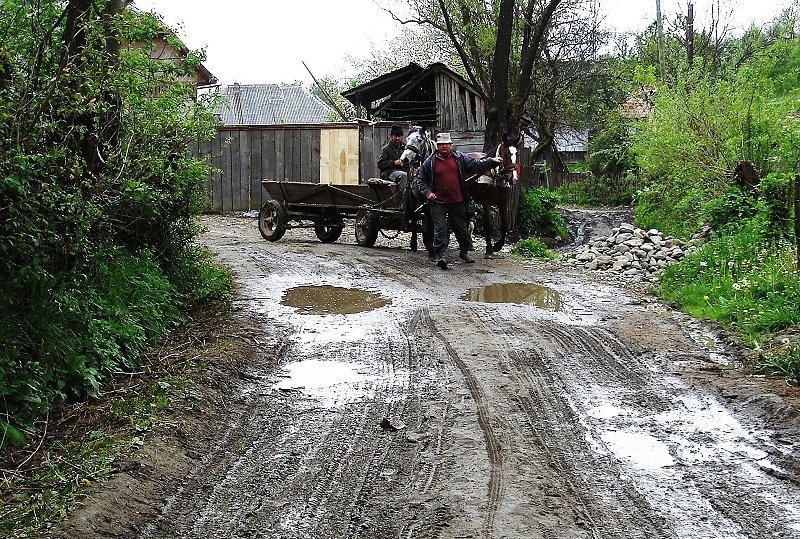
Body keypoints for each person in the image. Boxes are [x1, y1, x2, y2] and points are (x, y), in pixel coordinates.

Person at [415, 132, 503, 270]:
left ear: (451, 145)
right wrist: (428, 193)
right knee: (440, 229)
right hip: (438, 201)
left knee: (461, 229)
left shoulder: (459, 158)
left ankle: (464, 252)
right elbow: (420, 180)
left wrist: (491, 162)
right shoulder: (430, 162)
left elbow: (476, 166)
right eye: (441, 144)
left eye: (447, 144)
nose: (444, 146)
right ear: (437, 146)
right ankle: (441, 256)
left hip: (457, 200)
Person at [377, 124, 408, 190]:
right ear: (391, 137)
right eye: (395, 136)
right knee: (404, 175)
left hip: (403, 170)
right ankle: (402, 197)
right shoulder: (386, 149)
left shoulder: (405, 148)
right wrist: (394, 163)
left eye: (399, 136)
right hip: (389, 173)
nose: (397, 138)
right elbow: (380, 164)